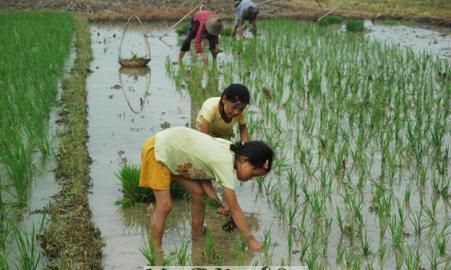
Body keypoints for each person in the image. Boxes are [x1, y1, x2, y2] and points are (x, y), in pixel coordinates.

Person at [139, 127, 274, 252]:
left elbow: (202, 172)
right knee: (165, 205)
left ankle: (196, 235)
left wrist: (217, 202)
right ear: (244, 160)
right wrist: (250, 239)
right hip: (159, 151)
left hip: (175, 156)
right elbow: (235, 208)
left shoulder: (229, 149)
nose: (251, 178)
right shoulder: (224, 162)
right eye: (253, 173)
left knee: (199, 194)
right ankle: (155, 250)